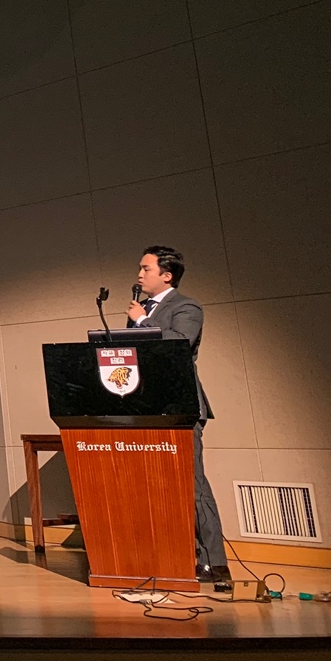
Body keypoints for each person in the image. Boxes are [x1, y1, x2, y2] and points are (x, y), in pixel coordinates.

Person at [126, 245, 231, 591]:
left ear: (167, 275)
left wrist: (142, 322)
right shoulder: (140, 310)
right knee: (155, 487)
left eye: (146, 269)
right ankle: (170, 555)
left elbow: (178, 343)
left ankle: (214, 563)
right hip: (146, 409)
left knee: (192, 485)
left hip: (180, 407)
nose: (139, 275)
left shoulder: (186, 307)